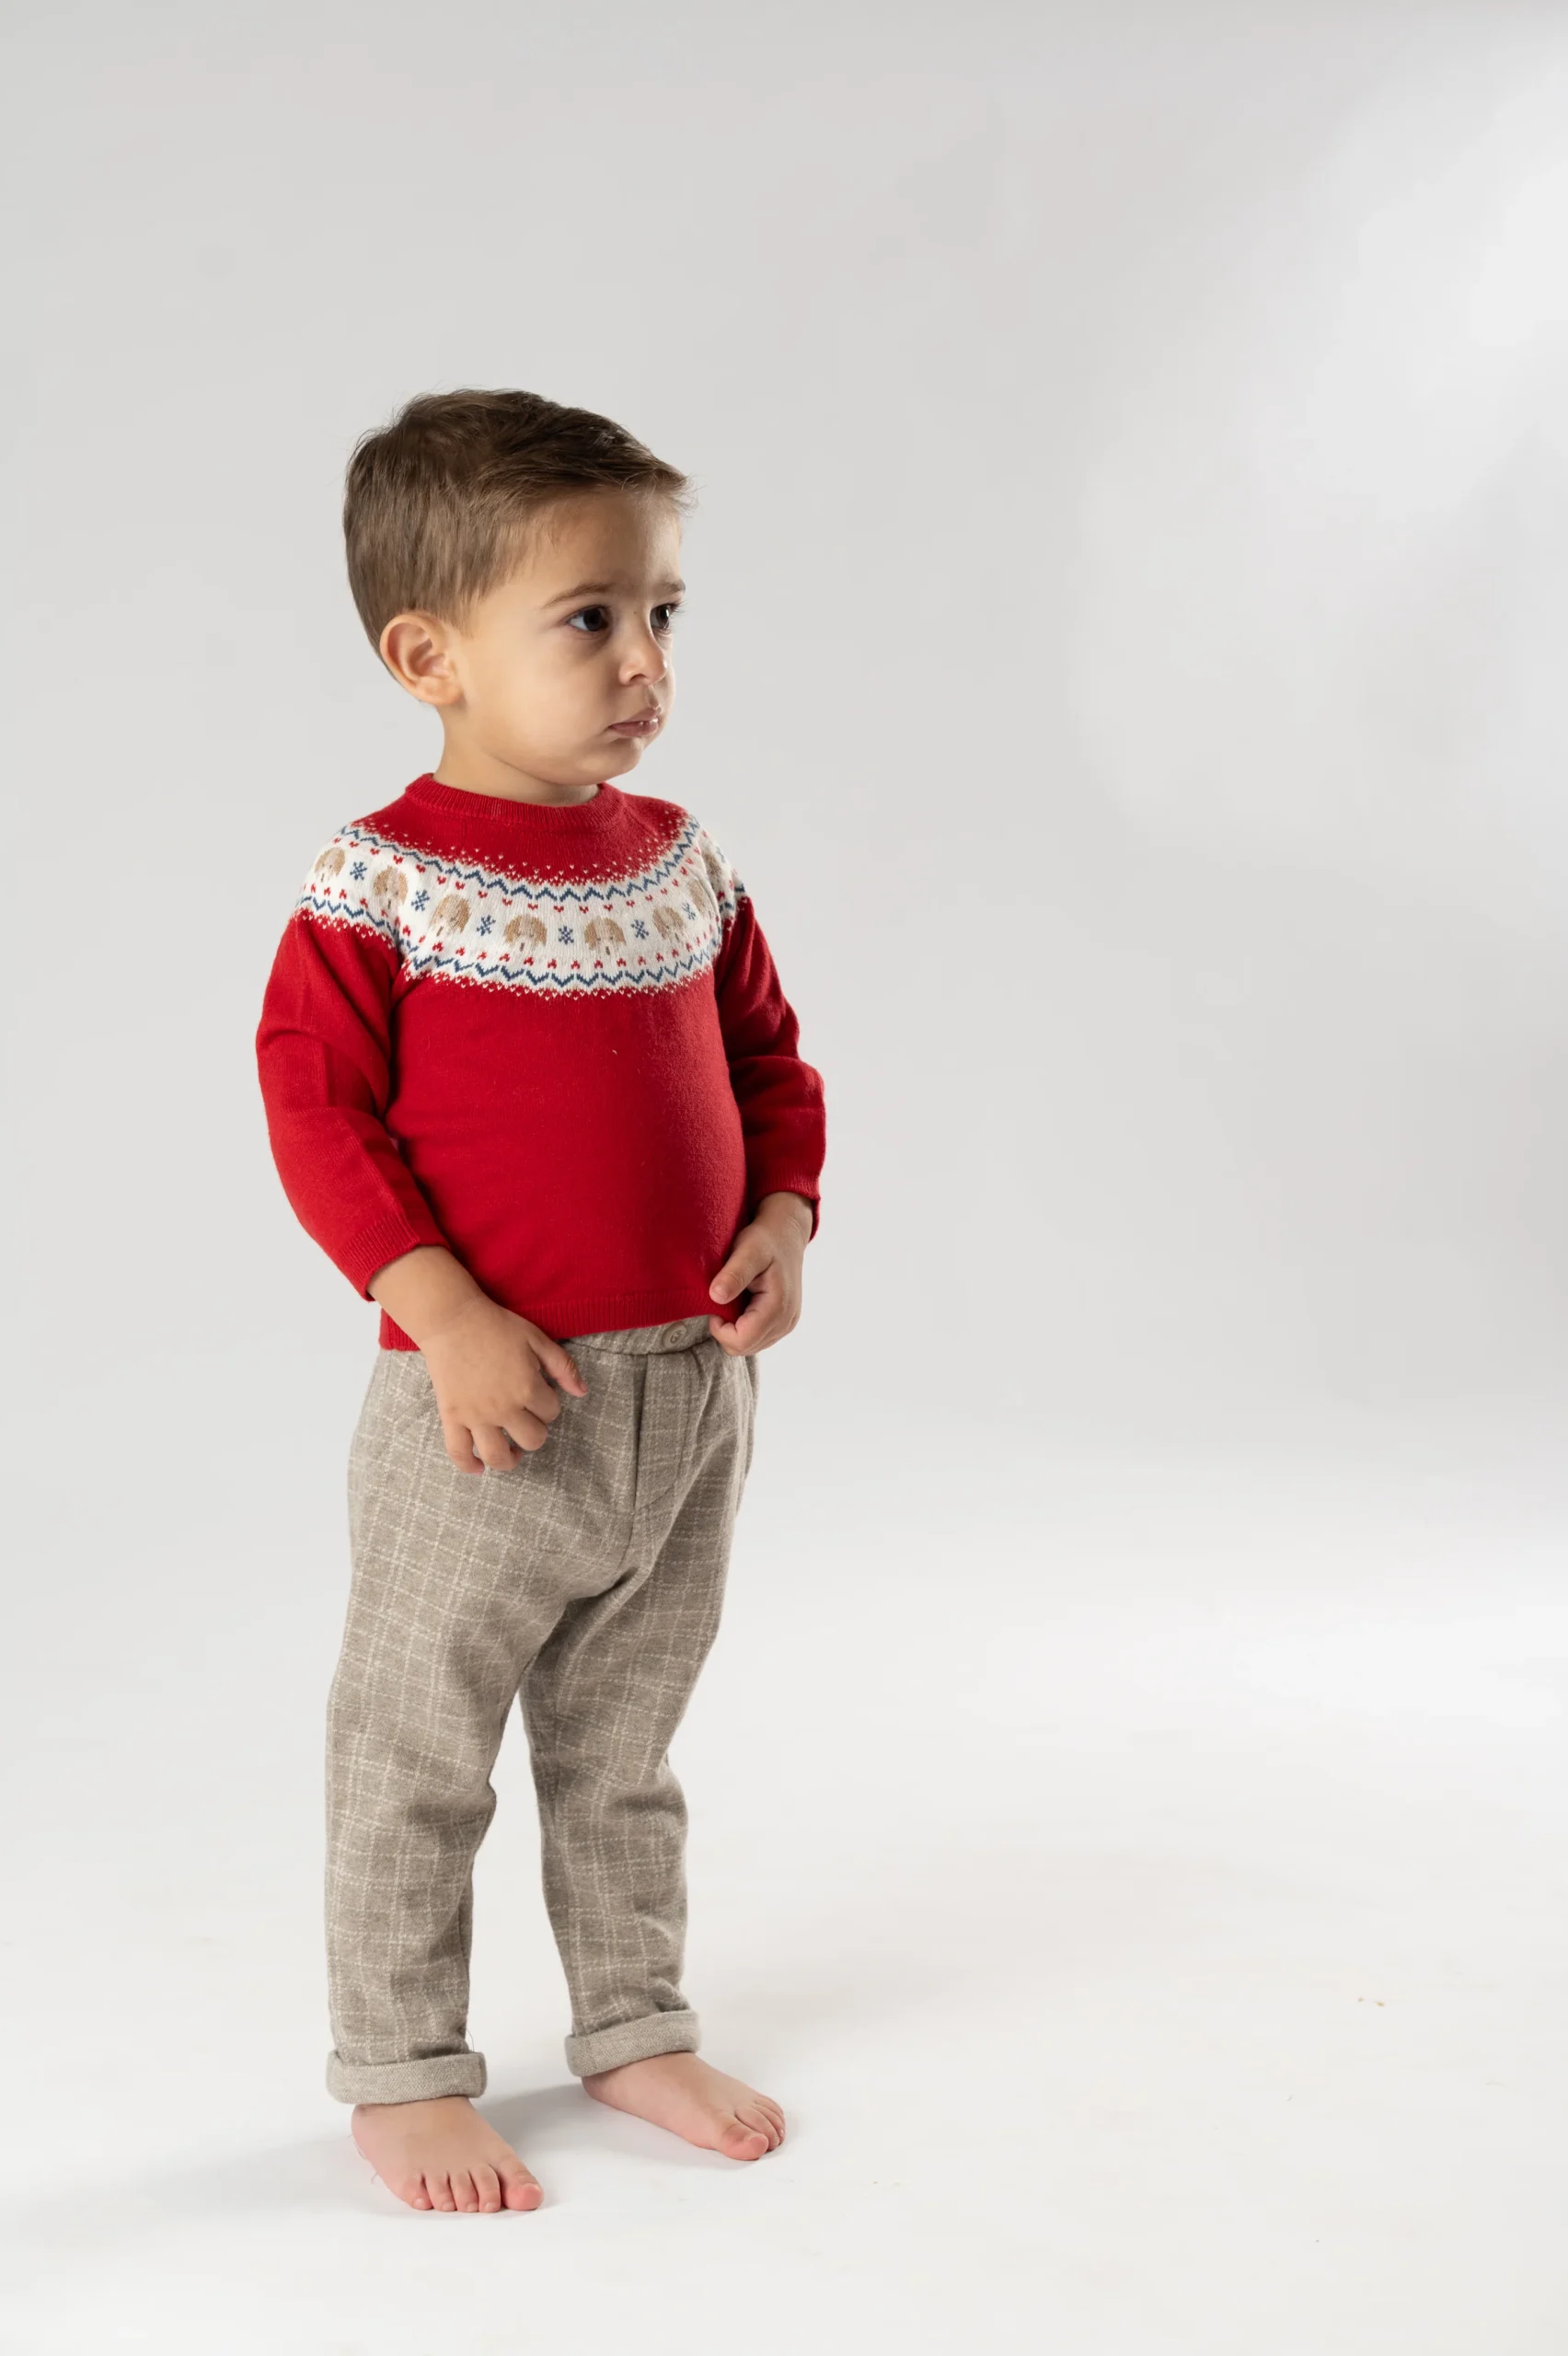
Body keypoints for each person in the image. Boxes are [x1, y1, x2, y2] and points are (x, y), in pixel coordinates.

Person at [254, 388, 826, 2216]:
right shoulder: (381, 884)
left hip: (688, 1400)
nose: (643, 659)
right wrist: (441, 1311)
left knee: (621, 1748)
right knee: (414, 1750)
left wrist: (785, 1214)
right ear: (428, 656)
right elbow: (316, 1112)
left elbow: (768, 1063)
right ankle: (403, 2070)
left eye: (662, 612)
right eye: (589, 618)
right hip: (485, 1415)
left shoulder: (676, 860)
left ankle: (632, 2022)